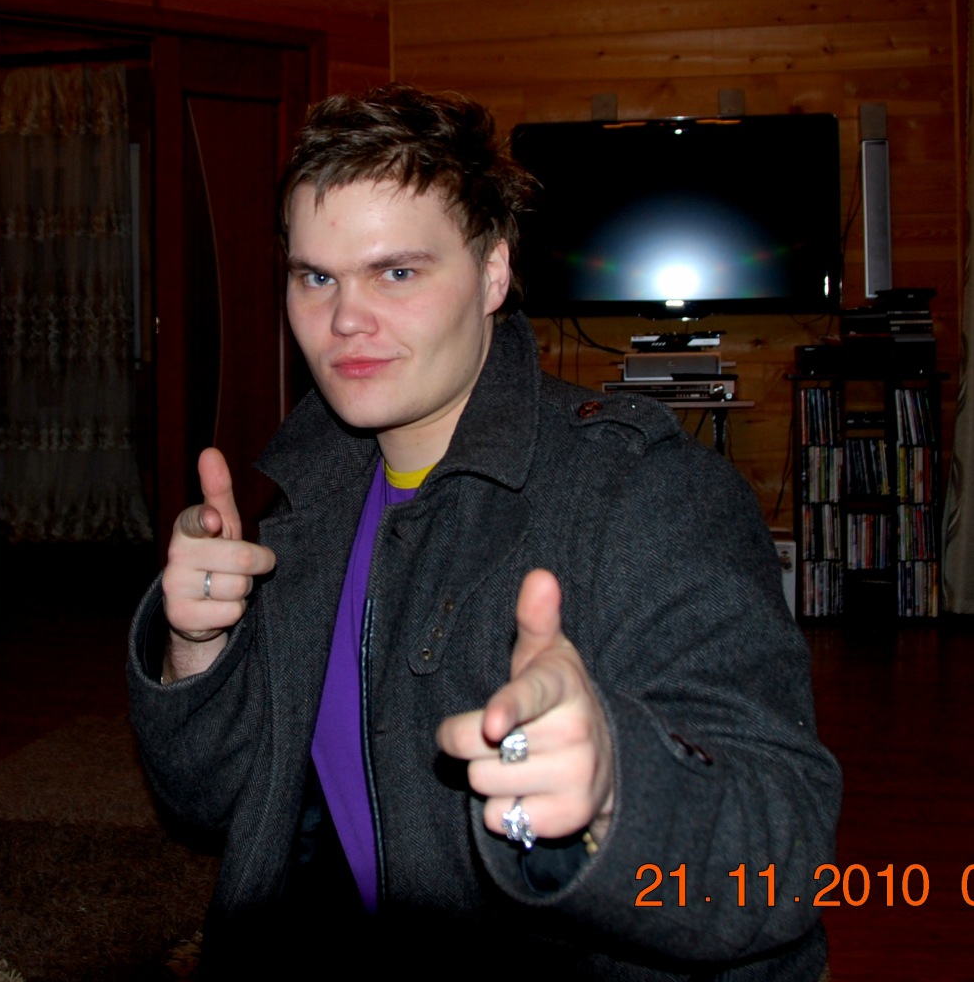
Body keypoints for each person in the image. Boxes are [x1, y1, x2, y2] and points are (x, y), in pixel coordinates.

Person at [129, 83, 840, 978]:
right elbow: (208, 808)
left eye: (397, 273)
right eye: (316, 277)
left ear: (493, 273)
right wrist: (195, 652)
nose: (345, 319)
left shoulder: (648, 494)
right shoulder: (306, 500)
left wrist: (616, 790)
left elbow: (779, 858)